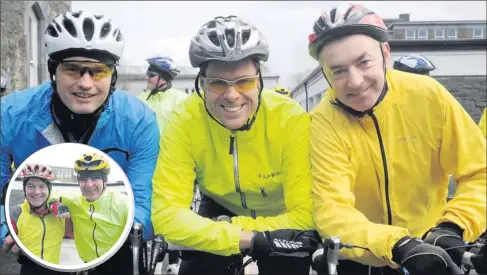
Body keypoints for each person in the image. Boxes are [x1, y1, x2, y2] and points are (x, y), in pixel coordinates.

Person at [307, 3, 486, 275]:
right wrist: (397, 244)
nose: (354, 81)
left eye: (363, 62)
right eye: (338, 71)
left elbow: (479, 171)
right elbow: (331, 208)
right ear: (326, 74)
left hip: (432, 248)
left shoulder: (428, 95)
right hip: (361, 255)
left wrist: (454, 226)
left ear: (385, 54)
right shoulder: (323, 120)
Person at [151, 15, 320, 275]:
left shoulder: (290, 118)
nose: (231, 95)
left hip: (280, 214)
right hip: (220, 209)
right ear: (202, 83)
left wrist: (231, 226)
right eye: (218, 83)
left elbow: (306, 214)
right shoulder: (184, 119)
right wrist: (240, 236)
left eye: (244, 82)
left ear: (260, 79)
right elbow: (165, 215)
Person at [0, 10, 159, 260]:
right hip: (42, 238)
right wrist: (5, 226)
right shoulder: (10, 114)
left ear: (113, 76)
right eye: (73, 70)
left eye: (99, 71)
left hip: (112, 237)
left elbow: (142, 196)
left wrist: (135, 228)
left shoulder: (139, 120)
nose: (86, 83)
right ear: (54, 72)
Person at [137, 56, 186, 274]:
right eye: (147, 74)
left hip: (173, 165)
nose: (146, 78)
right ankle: (148, 259)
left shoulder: (181, 99)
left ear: (163, 78)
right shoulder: (141, 99)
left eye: (151, 74)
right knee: (148, 209)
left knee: (173, 209)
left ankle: (173, 261)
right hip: (146, 163)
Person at [48, 152, 131, 273]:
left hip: (119, 265)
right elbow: (50, 196)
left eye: (95, 178)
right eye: (83, 179)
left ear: (105, 179)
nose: (89, 184)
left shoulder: (122, 203)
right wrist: (56, 205)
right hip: (90, 266)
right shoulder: (74, 201)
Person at [2, 164, 65, 275]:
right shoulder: (16, 212)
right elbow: (7, 244)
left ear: (49, 190)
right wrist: (9, 245)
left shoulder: (59, 208)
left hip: (56, 269)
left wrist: (57, 206)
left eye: (42, 186)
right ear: (24, 189)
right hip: (28, 269)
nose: (36, 192)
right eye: (31, 186)